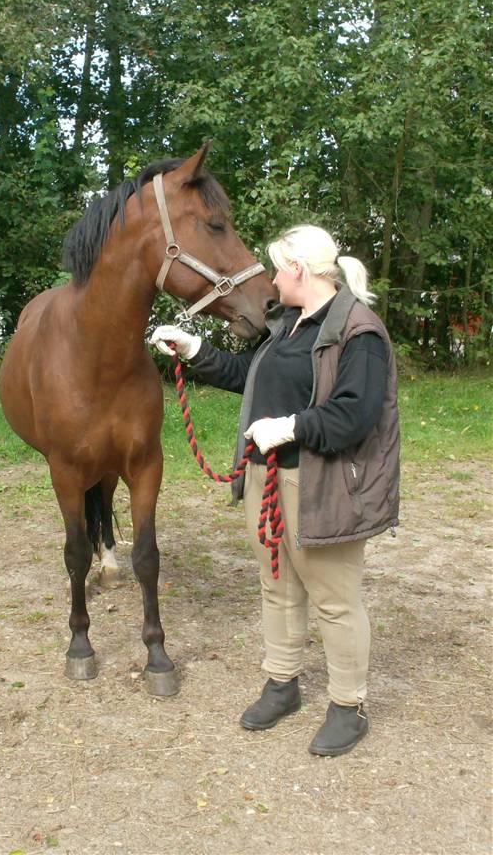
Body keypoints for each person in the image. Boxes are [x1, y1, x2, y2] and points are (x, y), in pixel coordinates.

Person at [151, 225, 400, 757]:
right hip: (267, 476)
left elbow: (354, 415)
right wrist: (195, 351)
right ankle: (282, 683)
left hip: (325, 485)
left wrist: (288, 428)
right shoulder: (287, 324)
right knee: (278, 586)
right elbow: (251, 375)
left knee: (335, 601)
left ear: (299, 272)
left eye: (276, 268)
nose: (269, 278)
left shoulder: (359, 331)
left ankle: (347, 706)